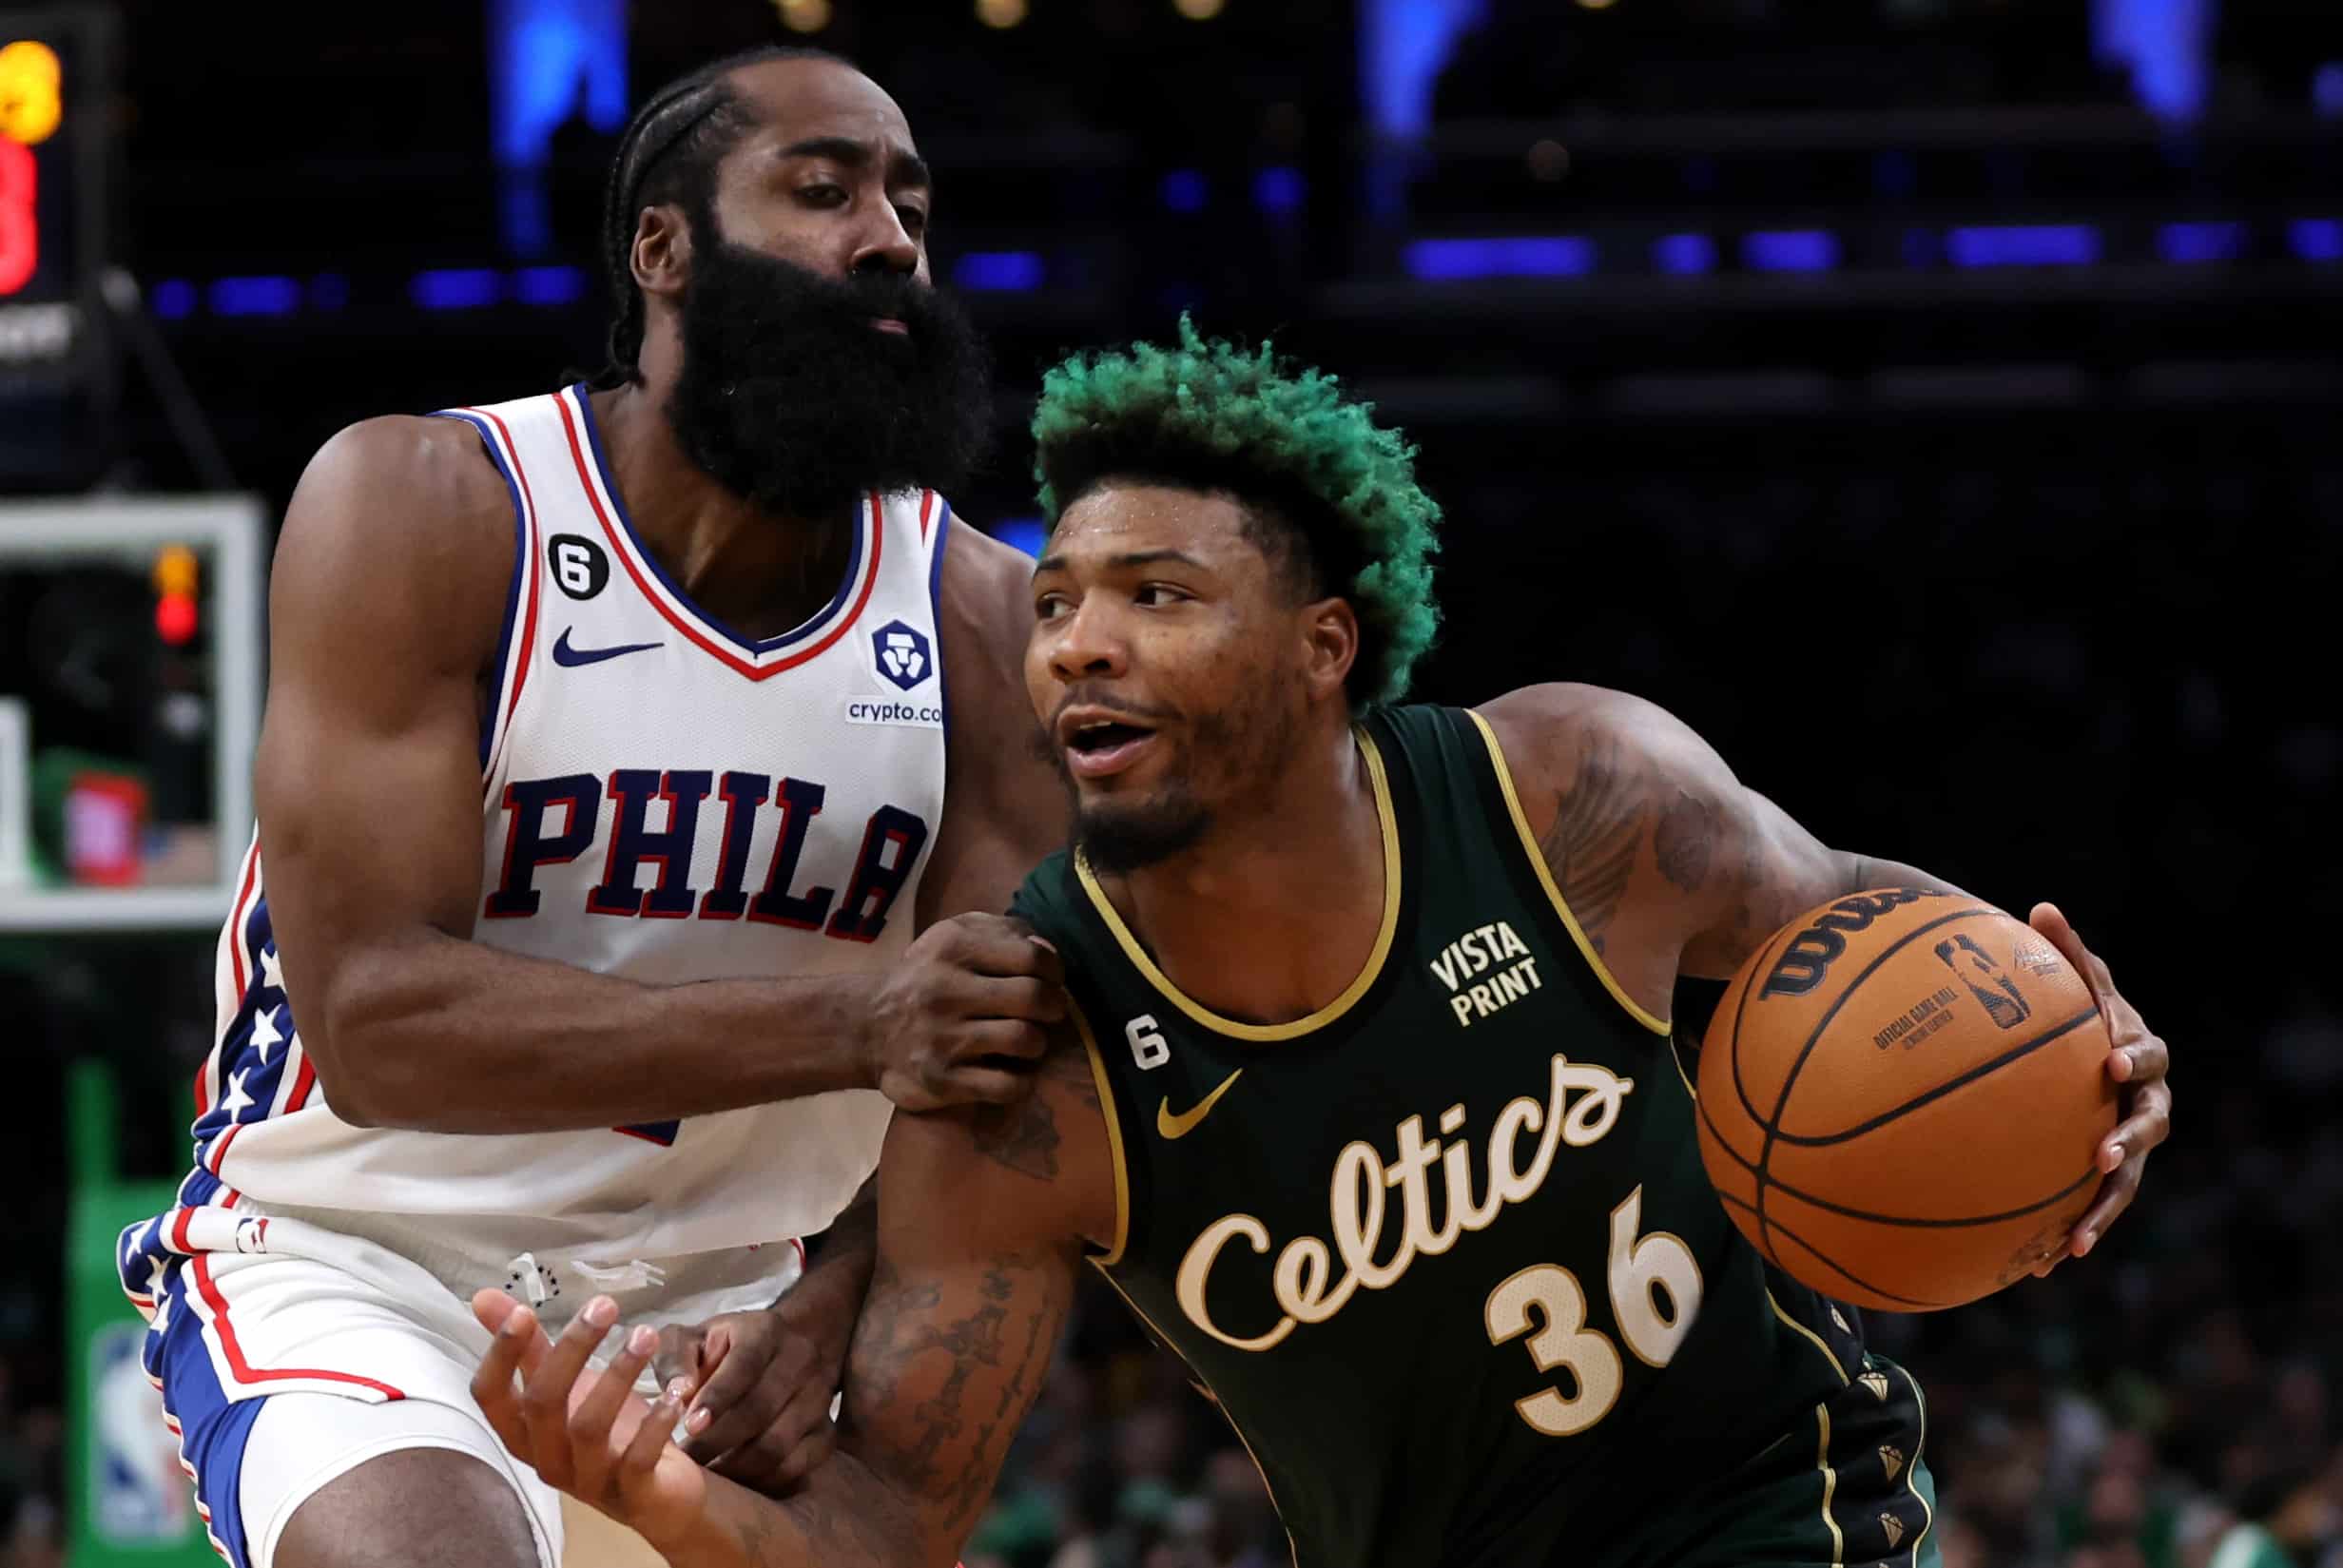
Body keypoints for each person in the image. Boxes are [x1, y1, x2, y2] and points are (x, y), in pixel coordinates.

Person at [469, 324, 2175, 1568]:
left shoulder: (1570, 795)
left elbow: (1876, 940)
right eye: (1055, 601)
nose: (1076, 645)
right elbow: (891, 1518)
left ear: (1322, 646)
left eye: (1158, 595)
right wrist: (661, 1499)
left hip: (1769, 1511)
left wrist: (2081, 1050)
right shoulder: (1029, 1047)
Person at [113, 46, 1067, 1568]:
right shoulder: (433, 504)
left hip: (726, 1322)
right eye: (821, 189)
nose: (888, 234)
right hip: (365, 1265)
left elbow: (987, 1067)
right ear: (661, 246)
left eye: (908, 202)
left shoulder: (977, 616)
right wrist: (855, 1022)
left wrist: (832, 1297)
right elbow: (377, 1020)